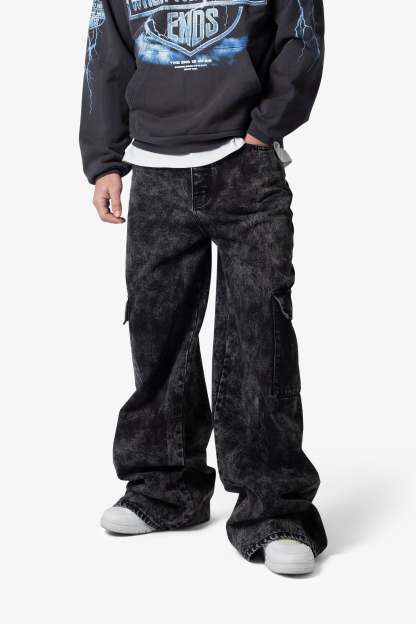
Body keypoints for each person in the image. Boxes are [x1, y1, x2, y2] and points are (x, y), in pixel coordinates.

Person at [80, 0, 327, 575]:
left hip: (246, 166)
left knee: (258, 332)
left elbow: (303, 37)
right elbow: (105, 56)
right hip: (154, 170)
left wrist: (266, 128)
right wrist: (105, 161)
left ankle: (275, 509)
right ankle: (165, 488)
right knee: (157, 331)